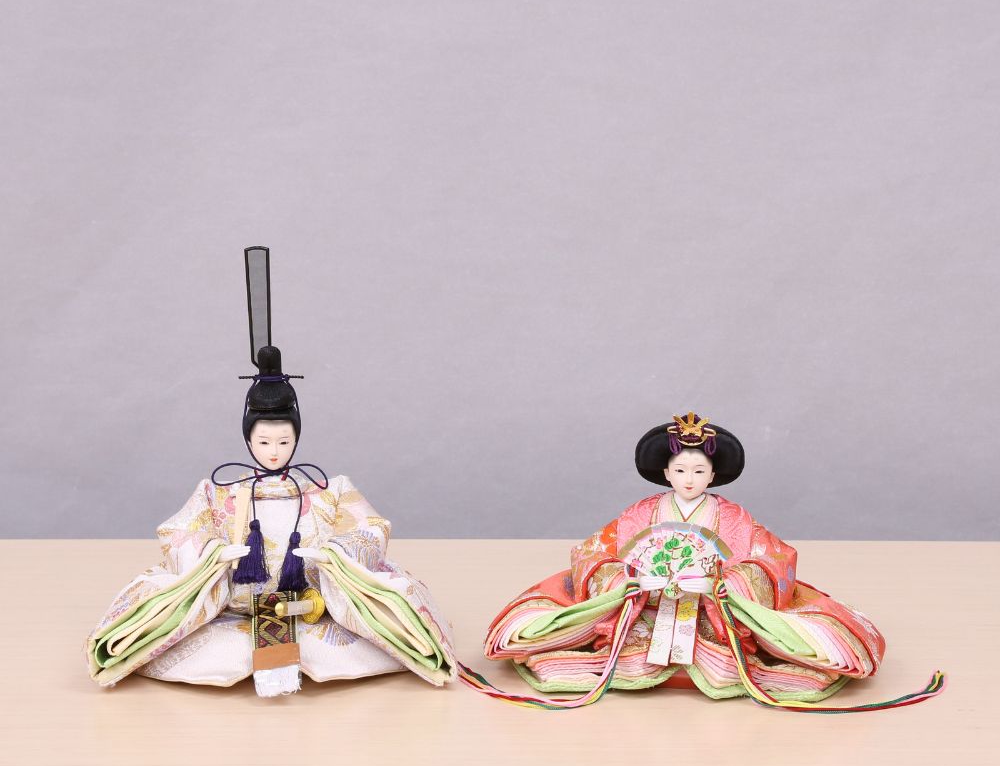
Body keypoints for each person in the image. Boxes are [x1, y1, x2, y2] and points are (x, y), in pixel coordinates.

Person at [87, 250, 455, 696]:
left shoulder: (328, 489)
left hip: (314, 610)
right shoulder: (219, 491)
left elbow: (370, 527)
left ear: (297, 438)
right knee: (208, 651)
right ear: (248, 441)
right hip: (234, 612)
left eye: (284, 441)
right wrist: (212, 555)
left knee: (356, 645)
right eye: (264, 442)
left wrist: (336, 555)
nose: (275, 451)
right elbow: (178, 531)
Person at [482, 413, 887, 704]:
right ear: (666, 473)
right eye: (680, 470)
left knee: (793, 652)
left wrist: (725, 584)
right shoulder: (641, 514)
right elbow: (593, 553)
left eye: (698, 471)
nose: (689, 479)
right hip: (644, 608)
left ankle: (716, 663)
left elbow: (774, 558)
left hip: (712, 612)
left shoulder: (733, 517)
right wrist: (629, 581)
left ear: (713, 475)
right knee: (549, 639)